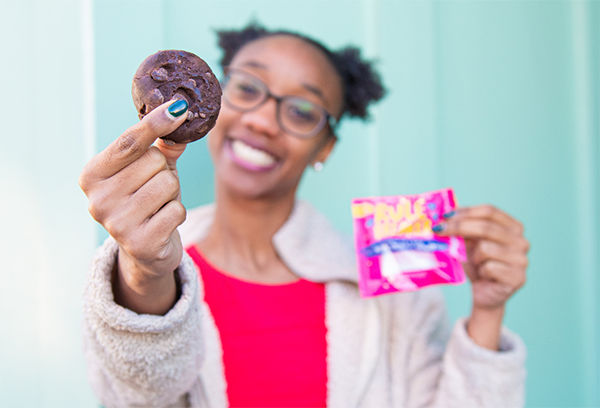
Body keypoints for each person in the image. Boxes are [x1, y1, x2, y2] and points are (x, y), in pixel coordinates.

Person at [79, 23, 529, 408]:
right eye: (248, 88)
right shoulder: (146, 263)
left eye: (301, 110)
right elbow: (138, 391)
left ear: (326, 147)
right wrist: (147, 270)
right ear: (215, 99)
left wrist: (488, 312)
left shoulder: (392, 294)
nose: (262, 121)